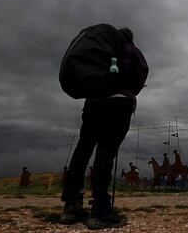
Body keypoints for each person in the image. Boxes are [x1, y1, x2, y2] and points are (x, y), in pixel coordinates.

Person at [60, 27, 148, 228]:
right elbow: (141, 72)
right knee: (106, 151)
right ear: (130, 39)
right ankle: (99, 211)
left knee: (83, 149)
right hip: (118, 103)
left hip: (93, 103)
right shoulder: (131, 50)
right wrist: (128, 91)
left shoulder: (102, 51)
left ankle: (71, 205)